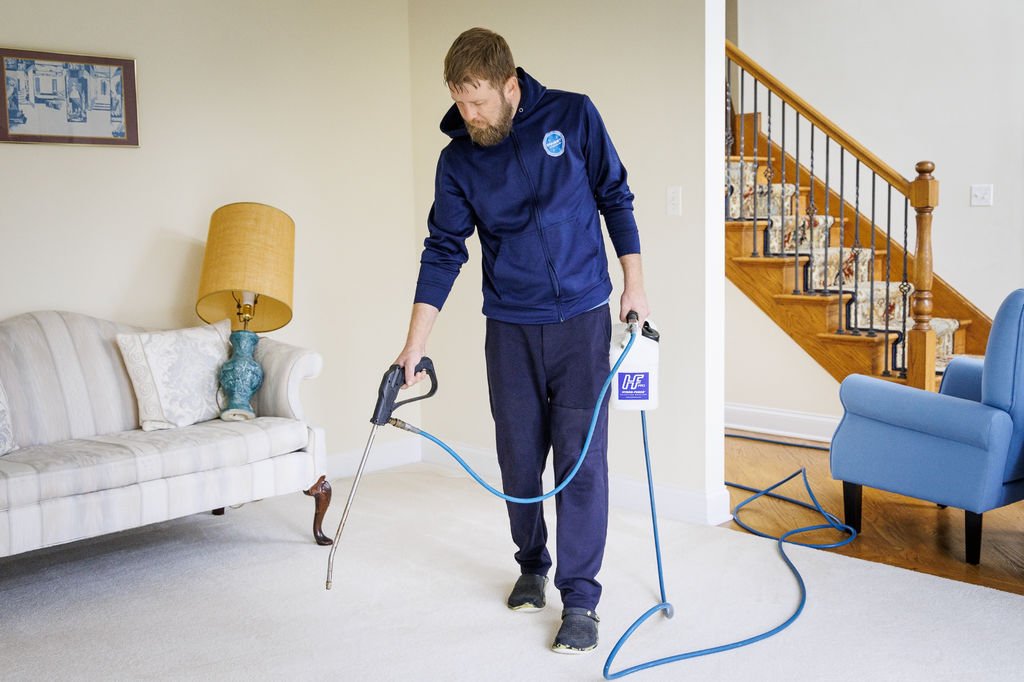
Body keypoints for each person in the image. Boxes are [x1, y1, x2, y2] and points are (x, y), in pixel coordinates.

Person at [393, 27, 649, 654]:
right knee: (517, 458)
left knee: (582, 464)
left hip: (583, 319)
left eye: (478, 100)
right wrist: (413, 346)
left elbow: (615, 196)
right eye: (460, 101)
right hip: (508, 325)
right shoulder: (458, 159)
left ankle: (582, 597)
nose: (468, 114)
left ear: (510, 86)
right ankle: (531, 562)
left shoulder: (573, 115)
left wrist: (633, 284)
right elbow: (443, 250)